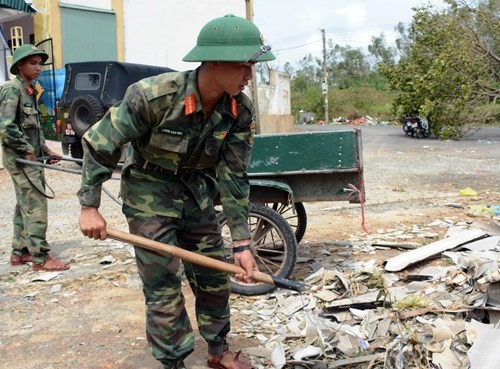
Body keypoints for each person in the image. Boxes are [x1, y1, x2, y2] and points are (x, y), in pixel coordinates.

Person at [77, 14, 275, 369]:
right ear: (213, 61)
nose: (250, 76)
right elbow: (100, 144)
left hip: (197, 194)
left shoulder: (238, 109)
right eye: (244, 66)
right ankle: (173, 362)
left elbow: (234, 175)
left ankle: (218, 351)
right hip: (149, 194)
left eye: (253, 66)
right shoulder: (153, 96)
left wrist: (243, 243)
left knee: (215, 275)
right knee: (164, 285)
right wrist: (89, 205)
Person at [0, 44, 69, 271]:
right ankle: (41, 258)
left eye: (40, 63)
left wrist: (46, 151)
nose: (38, 67)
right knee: (36, 205)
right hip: (20, 159)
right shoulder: (12, 89)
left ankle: (20, 253)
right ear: (19, 65)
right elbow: (6, 127)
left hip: (29, 156)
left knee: (25, 205)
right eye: (33, 63)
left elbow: (31, 128)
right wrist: (27, 150)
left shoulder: (30, 90)